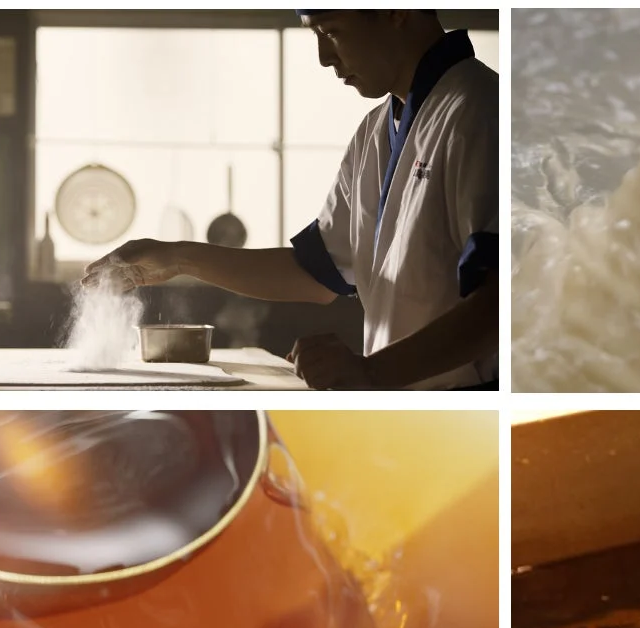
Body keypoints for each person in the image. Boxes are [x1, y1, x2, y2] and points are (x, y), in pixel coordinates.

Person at [83, 10, 498, 390]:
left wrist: (372, 371)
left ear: (396, 11)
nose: (323, 57)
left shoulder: (479, 109)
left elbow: (499, 304)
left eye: (331, 31)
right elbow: (316, 274)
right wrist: (177, 258)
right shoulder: (374, 132)